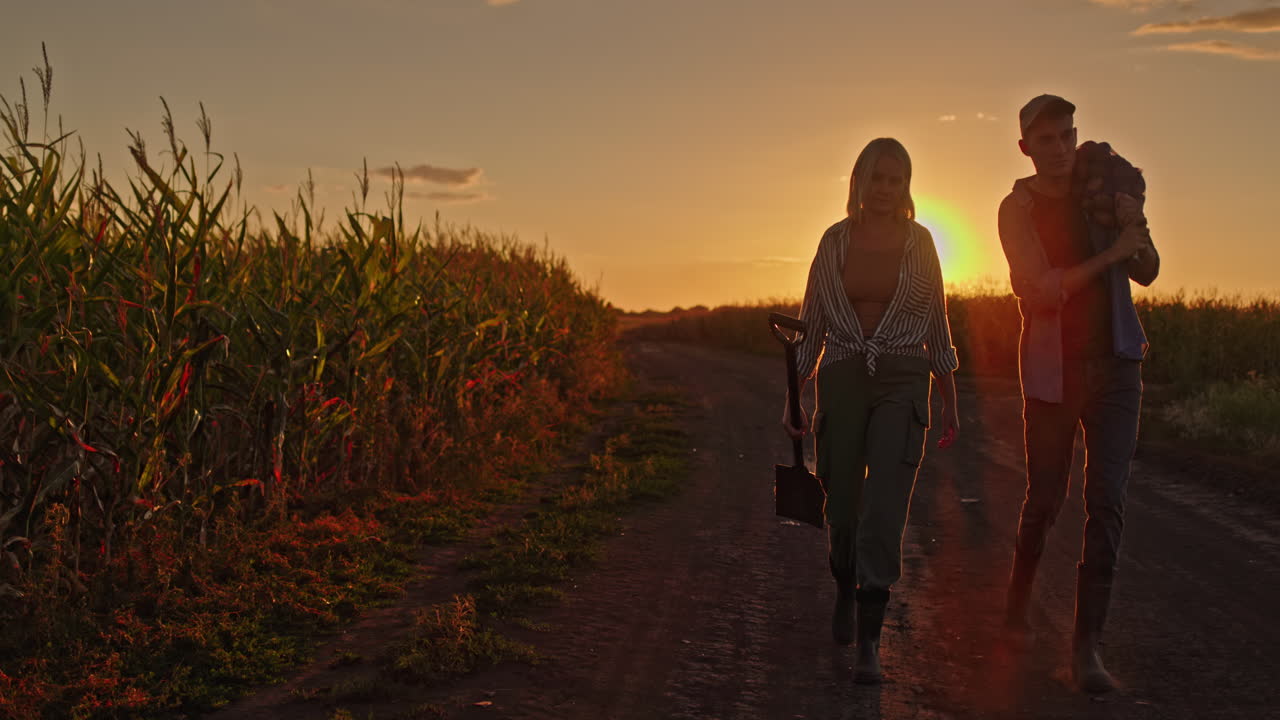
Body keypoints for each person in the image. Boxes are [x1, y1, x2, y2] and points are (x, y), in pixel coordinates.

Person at [996, 95, 1160, 694]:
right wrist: (1110, 255)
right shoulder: (1016, 209)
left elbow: (1148, 269)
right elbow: (1038, 292)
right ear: (1026, 148)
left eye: (1067, 136)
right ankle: (1016, 610)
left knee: (1107, 503)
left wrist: (1131, 235)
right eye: (1047, 141)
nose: (1061, 149)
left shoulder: (1103, 185)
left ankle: (1086, 648)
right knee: (1044, 497)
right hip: (1053, 372)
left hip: (1117, 364)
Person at [782, 137, 960, 685]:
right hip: (842, 375)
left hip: (904, 377)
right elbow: (810, 326)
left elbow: (937, 324)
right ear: (857, 182)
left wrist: (950, 401)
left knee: (885, 505)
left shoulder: (922, 244)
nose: (885, 190)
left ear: (906, 187)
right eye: (875, 178)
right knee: (841, 505)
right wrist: (793, 399)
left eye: (896, 180)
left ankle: (870, 638)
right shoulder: (834, 242)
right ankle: (843, 582)